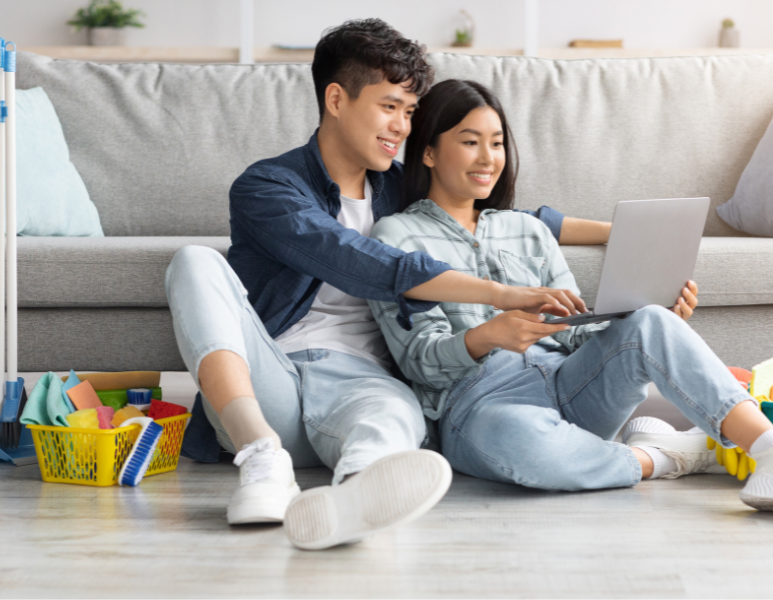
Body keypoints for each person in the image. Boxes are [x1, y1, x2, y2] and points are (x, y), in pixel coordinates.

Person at [165, 20, 609, 551]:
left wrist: (619, 232)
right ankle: (261, 460)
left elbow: (500, 214)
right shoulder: (268, 186)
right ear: (336, 98)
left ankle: (353, 498)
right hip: (272, 381)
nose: (402, 126)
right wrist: (499, 294)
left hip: (366, 383)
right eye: (389, 106)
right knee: (193, 261)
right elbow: (354, 259)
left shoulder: (400, 187)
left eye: (410, 111)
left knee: (395, 415)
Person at [367, 78, 773, 510]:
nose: (488, 158)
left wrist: (639, 317)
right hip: (479, 402)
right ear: (429, 151)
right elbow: (418, 361)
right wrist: (487, 335)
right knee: (524, 448)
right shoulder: (395, 238)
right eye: (470, 141)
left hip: (568, 382)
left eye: (497, 143)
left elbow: (574, 337)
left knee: (651, 320)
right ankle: (672, 455)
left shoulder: (527, 231)